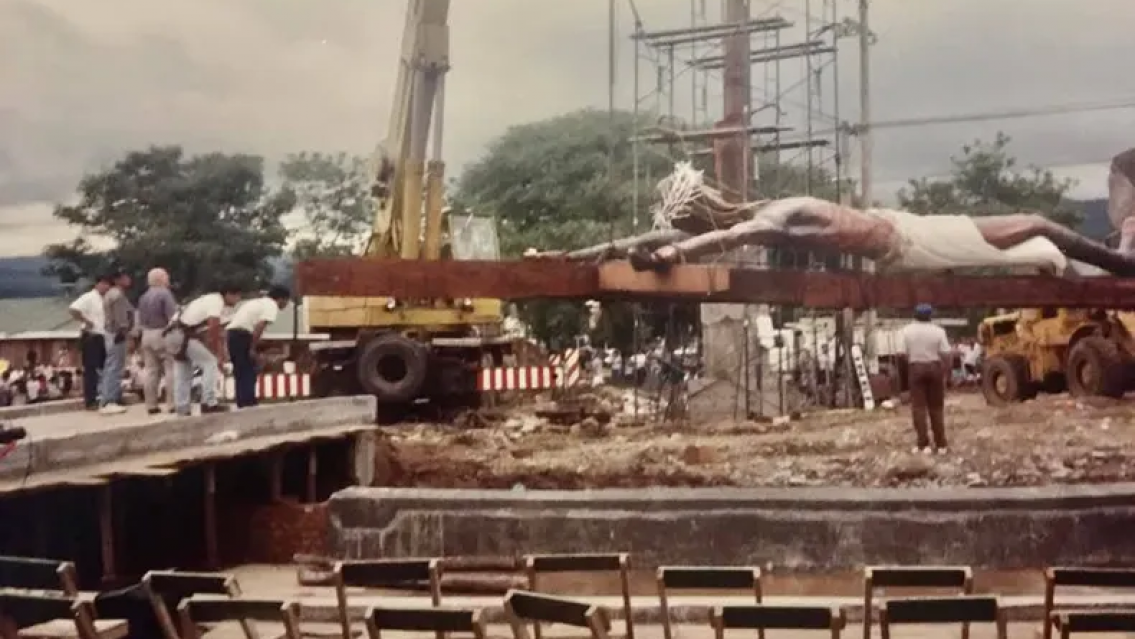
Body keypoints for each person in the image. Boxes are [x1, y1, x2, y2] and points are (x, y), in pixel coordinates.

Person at [164, 285, 242, 416]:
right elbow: (213, 329)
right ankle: (209, 402)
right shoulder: (216, 302)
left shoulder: (206, 299)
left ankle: (182, 407)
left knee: (183, 371)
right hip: (184, 335)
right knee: (210, 363)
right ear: (228, 294)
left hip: (172, 334)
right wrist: (217, 354)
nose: (238, 300)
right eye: (237, 296)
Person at [225, 286, 290, 408]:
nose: (286, 304)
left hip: (232, 334)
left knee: (240, 371)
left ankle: (242, 403)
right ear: (281, 299)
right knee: (249, 370)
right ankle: (249, 403)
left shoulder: (257, 302)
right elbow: (259, 326)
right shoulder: (271, 306)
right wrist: (252, 348)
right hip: (243, 335)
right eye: (286, 301)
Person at [899, 303, 952, 455]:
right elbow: (946, 354)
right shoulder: (939, 331)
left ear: (914, 315)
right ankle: (941, 444)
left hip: (915, 367)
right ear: (931, 315)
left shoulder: (906, 331)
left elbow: (901, 354)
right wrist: (945, 373)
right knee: (936, 408)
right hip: (935, 367)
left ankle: (924, 445)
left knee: (919, 408)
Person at [136, 268, 178, 415]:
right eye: (167, 277)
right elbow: (173, 317)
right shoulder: (165, 294)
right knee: (171, 368)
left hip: (146, 334)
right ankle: (172, 403)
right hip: (163, 332)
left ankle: (151, 404)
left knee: (151, 371)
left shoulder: (143, 297)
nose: (168, 280)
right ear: (161, 279)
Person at [68, 276, 111, 410]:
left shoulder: (106, 299)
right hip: (91, 335)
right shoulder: (89, 297)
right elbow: (73, 309)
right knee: (91, 369)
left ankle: (106, 396)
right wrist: (86, 321)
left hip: (104, 335)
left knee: (106, 367)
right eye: (105, 284)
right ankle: (90, 400)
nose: (107, 287)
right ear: (99, 284)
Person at [99, 270, 134, 415]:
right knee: (115, 367)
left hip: (110, 333)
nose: (128, 279)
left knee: (110, 366)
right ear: (118, 279)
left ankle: (107, 397)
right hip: (117, 333)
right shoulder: (118, 295)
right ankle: (109, 400)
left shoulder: (109, 294)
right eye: (125, 276)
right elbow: (121, 318)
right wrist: (124, 330)